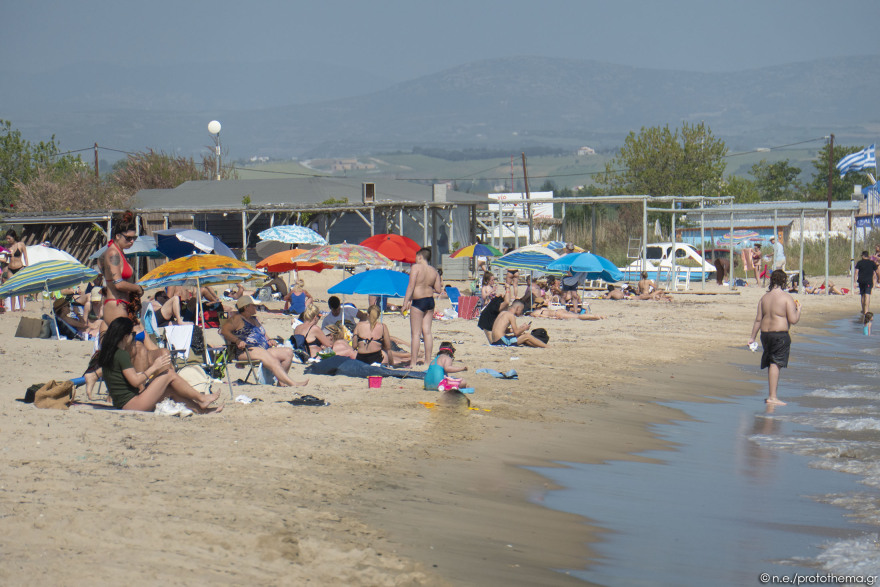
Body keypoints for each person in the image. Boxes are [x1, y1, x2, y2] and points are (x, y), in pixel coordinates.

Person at [98, 317, 222, 413]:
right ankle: (201, 398)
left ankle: (202, 410)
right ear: (125, 337)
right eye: (133, 334)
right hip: (132, 404)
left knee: (169, 389)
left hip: (125, 403)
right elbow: (135, 382)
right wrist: (154, 367)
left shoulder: (110, 353)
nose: (134, 338)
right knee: (169, 374)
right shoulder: (121, 354)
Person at [221, 295, 308, 387]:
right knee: (271, 359)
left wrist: (269, 339)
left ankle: (281, 382)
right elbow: (224, 331)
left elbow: (263, 334)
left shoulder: (254, 319)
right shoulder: (237, 319)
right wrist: (237, 340)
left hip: (263, 349)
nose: (256, 307)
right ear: (246, 307)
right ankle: (292, 383)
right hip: (246, 350)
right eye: (253, 305)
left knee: (288, 352)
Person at [748, 269, 801, 406]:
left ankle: (772, 395)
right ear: (784, 281)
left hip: (765, 334)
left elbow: (758, 320)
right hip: (779, 334)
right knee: (775, 364)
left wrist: (752, 337)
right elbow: (793, 319)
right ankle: (772, 397)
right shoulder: (786, 298)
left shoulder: (764, 298)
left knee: (772, 363)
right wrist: (798, 309)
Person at [99, 212, 142, 326]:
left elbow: (100, 261)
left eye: (134, 238)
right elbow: (118, 283)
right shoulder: (113, 253)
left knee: (137, 340)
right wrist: (137, 288)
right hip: (116, 306)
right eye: (128, 238)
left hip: (121, 305)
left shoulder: (116, 252)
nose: (132, 241)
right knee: (136, 340)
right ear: (118, 236)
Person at [403, 247, 443, 368]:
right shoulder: (434, 271)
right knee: (427, 332)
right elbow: (438, 289)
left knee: (416, 333)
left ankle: (413, 363)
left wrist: (405, 302)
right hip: (429, 301)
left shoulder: (416, 268)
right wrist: (427, 286)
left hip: (418, 301)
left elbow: (411, 285)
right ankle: (427, 361)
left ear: (420, 257)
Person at [4, 229, 29, 311]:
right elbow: (5, 260)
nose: (8, 240)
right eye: (7, 239)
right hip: (10, 269)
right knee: (12, 289)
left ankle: (21, 307)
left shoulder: (21, 245)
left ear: (13, 237)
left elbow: (25, 256)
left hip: (19, 267)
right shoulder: (7, 247)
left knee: (19, 288)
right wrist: (7, 254)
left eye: (9, 238)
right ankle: (13, 308)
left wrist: (27, 267)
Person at [855, 250, 878, 315]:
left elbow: (856, 272)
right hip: (868, 281)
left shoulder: (859, 262)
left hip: (861, 281)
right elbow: (877, 272)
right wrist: (875, 280)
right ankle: (866, 311)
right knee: (867, 295)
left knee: (862, 295)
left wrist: (854, 281)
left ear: (862, 256)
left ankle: (863, 309)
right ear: (868, 256)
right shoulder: (872, 263)